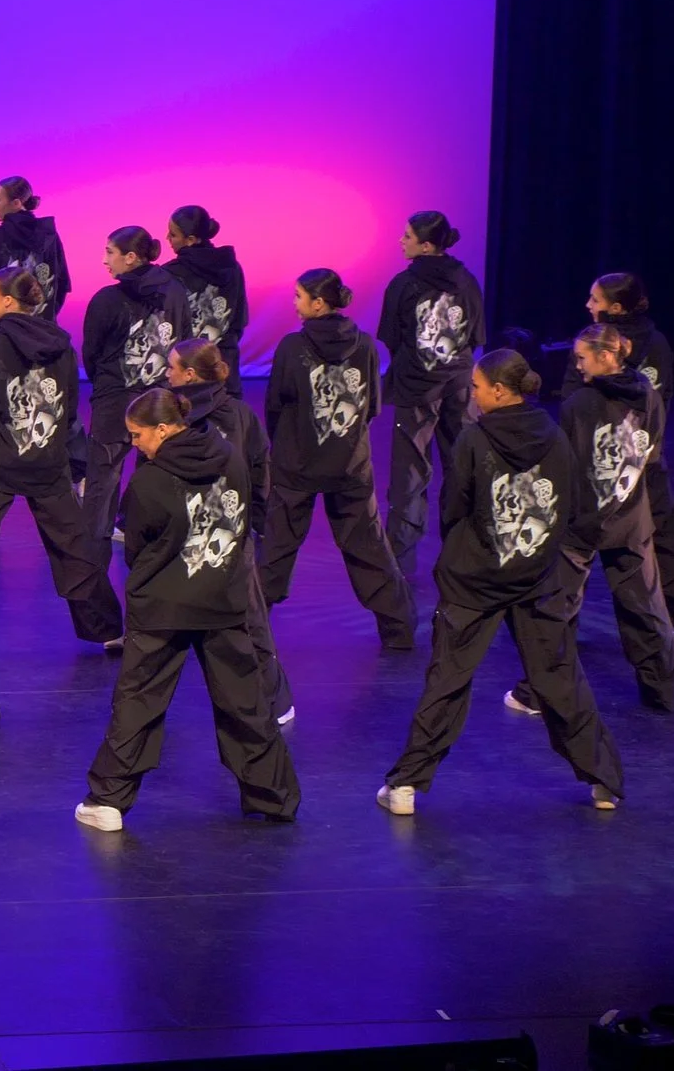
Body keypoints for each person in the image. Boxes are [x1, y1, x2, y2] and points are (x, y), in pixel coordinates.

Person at [378, 350, 624, 816]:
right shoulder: (554, 435)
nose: (472, 395)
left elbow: (454, 506)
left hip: (474, 581)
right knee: (559, 678)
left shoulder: (474, 439)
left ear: (497, 390)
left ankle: (406, 786)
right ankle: (604, 781)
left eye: (476, 387)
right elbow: (572, 503)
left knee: (448, 680)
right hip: (536, 574)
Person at [74, 389, 298, 832]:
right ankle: (275, 797)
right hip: (223, 600)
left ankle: (108, 801)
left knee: (138, 703)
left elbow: (137, 547)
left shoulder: (149, 482)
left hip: (164, 609)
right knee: (245, 704)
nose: (134, 444)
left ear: (162, 430)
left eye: (138, 435)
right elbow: (243, 521)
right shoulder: (231, 458)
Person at [0, 267, 123, 644]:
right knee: (74, 548)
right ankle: (107, 631)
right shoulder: (62, 348)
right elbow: (69, 409)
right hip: (46, 463)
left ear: (9, 301)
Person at [511, 324, 674, 712]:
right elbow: (651, 453)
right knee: (646, 608)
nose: (577, 365)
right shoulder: (648, 393)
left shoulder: (580, 403)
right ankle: (665, 692)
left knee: (556, 608)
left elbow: (567, 464)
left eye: (582, 357)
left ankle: (539, 694)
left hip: (583, 523)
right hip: (631, 517)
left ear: (604, 357)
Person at [258, 269, 415, 649]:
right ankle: (399, 630)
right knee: (369, 547)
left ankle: (250, 628)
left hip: (297, 464)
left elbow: (275, 405)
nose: (294, 303)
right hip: (350, 464)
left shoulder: (291, 347)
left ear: (318, 303)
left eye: (298, 296)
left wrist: (287, 446)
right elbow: (371, 406)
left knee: (277, 548)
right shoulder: (364, 345)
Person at [168, 337, 289, 723]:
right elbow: (259, 469)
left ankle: (141, 714)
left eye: (171, 368)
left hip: (183, 535)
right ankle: (276, 701)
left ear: (189, 374)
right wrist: (254, 522)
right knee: (251, 618)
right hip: (231, 531)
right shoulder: (240, 413)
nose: (166, 373)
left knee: (160, 626)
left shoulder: (170, 415)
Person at [577, 274, 674, 637]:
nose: (588, 305)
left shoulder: (596, 343)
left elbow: (576, 403)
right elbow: (663, 399)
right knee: (665, 537)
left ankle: (558, 625)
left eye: (595, 299)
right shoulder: (658, 341)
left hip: (603, 464)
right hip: (646, 456)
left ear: (615, 308)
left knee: (578, 543)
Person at [379, 211, 485, 576]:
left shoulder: (403, 284)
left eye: (407, 236)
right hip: (459, 384)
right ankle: (463, 546)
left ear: (425, 245)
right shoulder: (466, 281)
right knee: (461, 464)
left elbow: (392, 337)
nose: (401, 240)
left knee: (410, 470)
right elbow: (475, 335)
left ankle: (401, 553)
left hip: (416, 386)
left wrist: (419, 366)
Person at [79, 227, 188, 560]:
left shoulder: (107, 299)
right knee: (154, 472)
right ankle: (145, 537)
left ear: (130, 257)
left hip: (115, 400)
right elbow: (183, 341)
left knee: (102, 477)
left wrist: (107, 383)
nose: (104, 260)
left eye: (109, 252)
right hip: (157, 401)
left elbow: (92, 353)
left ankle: (92, 551)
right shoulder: (175, 292)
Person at [165, 206, 249, 393]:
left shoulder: (171, 273)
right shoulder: (232, 267)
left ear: (190, 240)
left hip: (187, 369)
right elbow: (239, 318)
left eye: (173, 234)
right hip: (224, 365)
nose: (167, 238)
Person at [0, 176, 71, 325]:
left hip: (1, 332)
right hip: (41, 330)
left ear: (16, 203)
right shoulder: (50, 237)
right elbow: (61, 285)